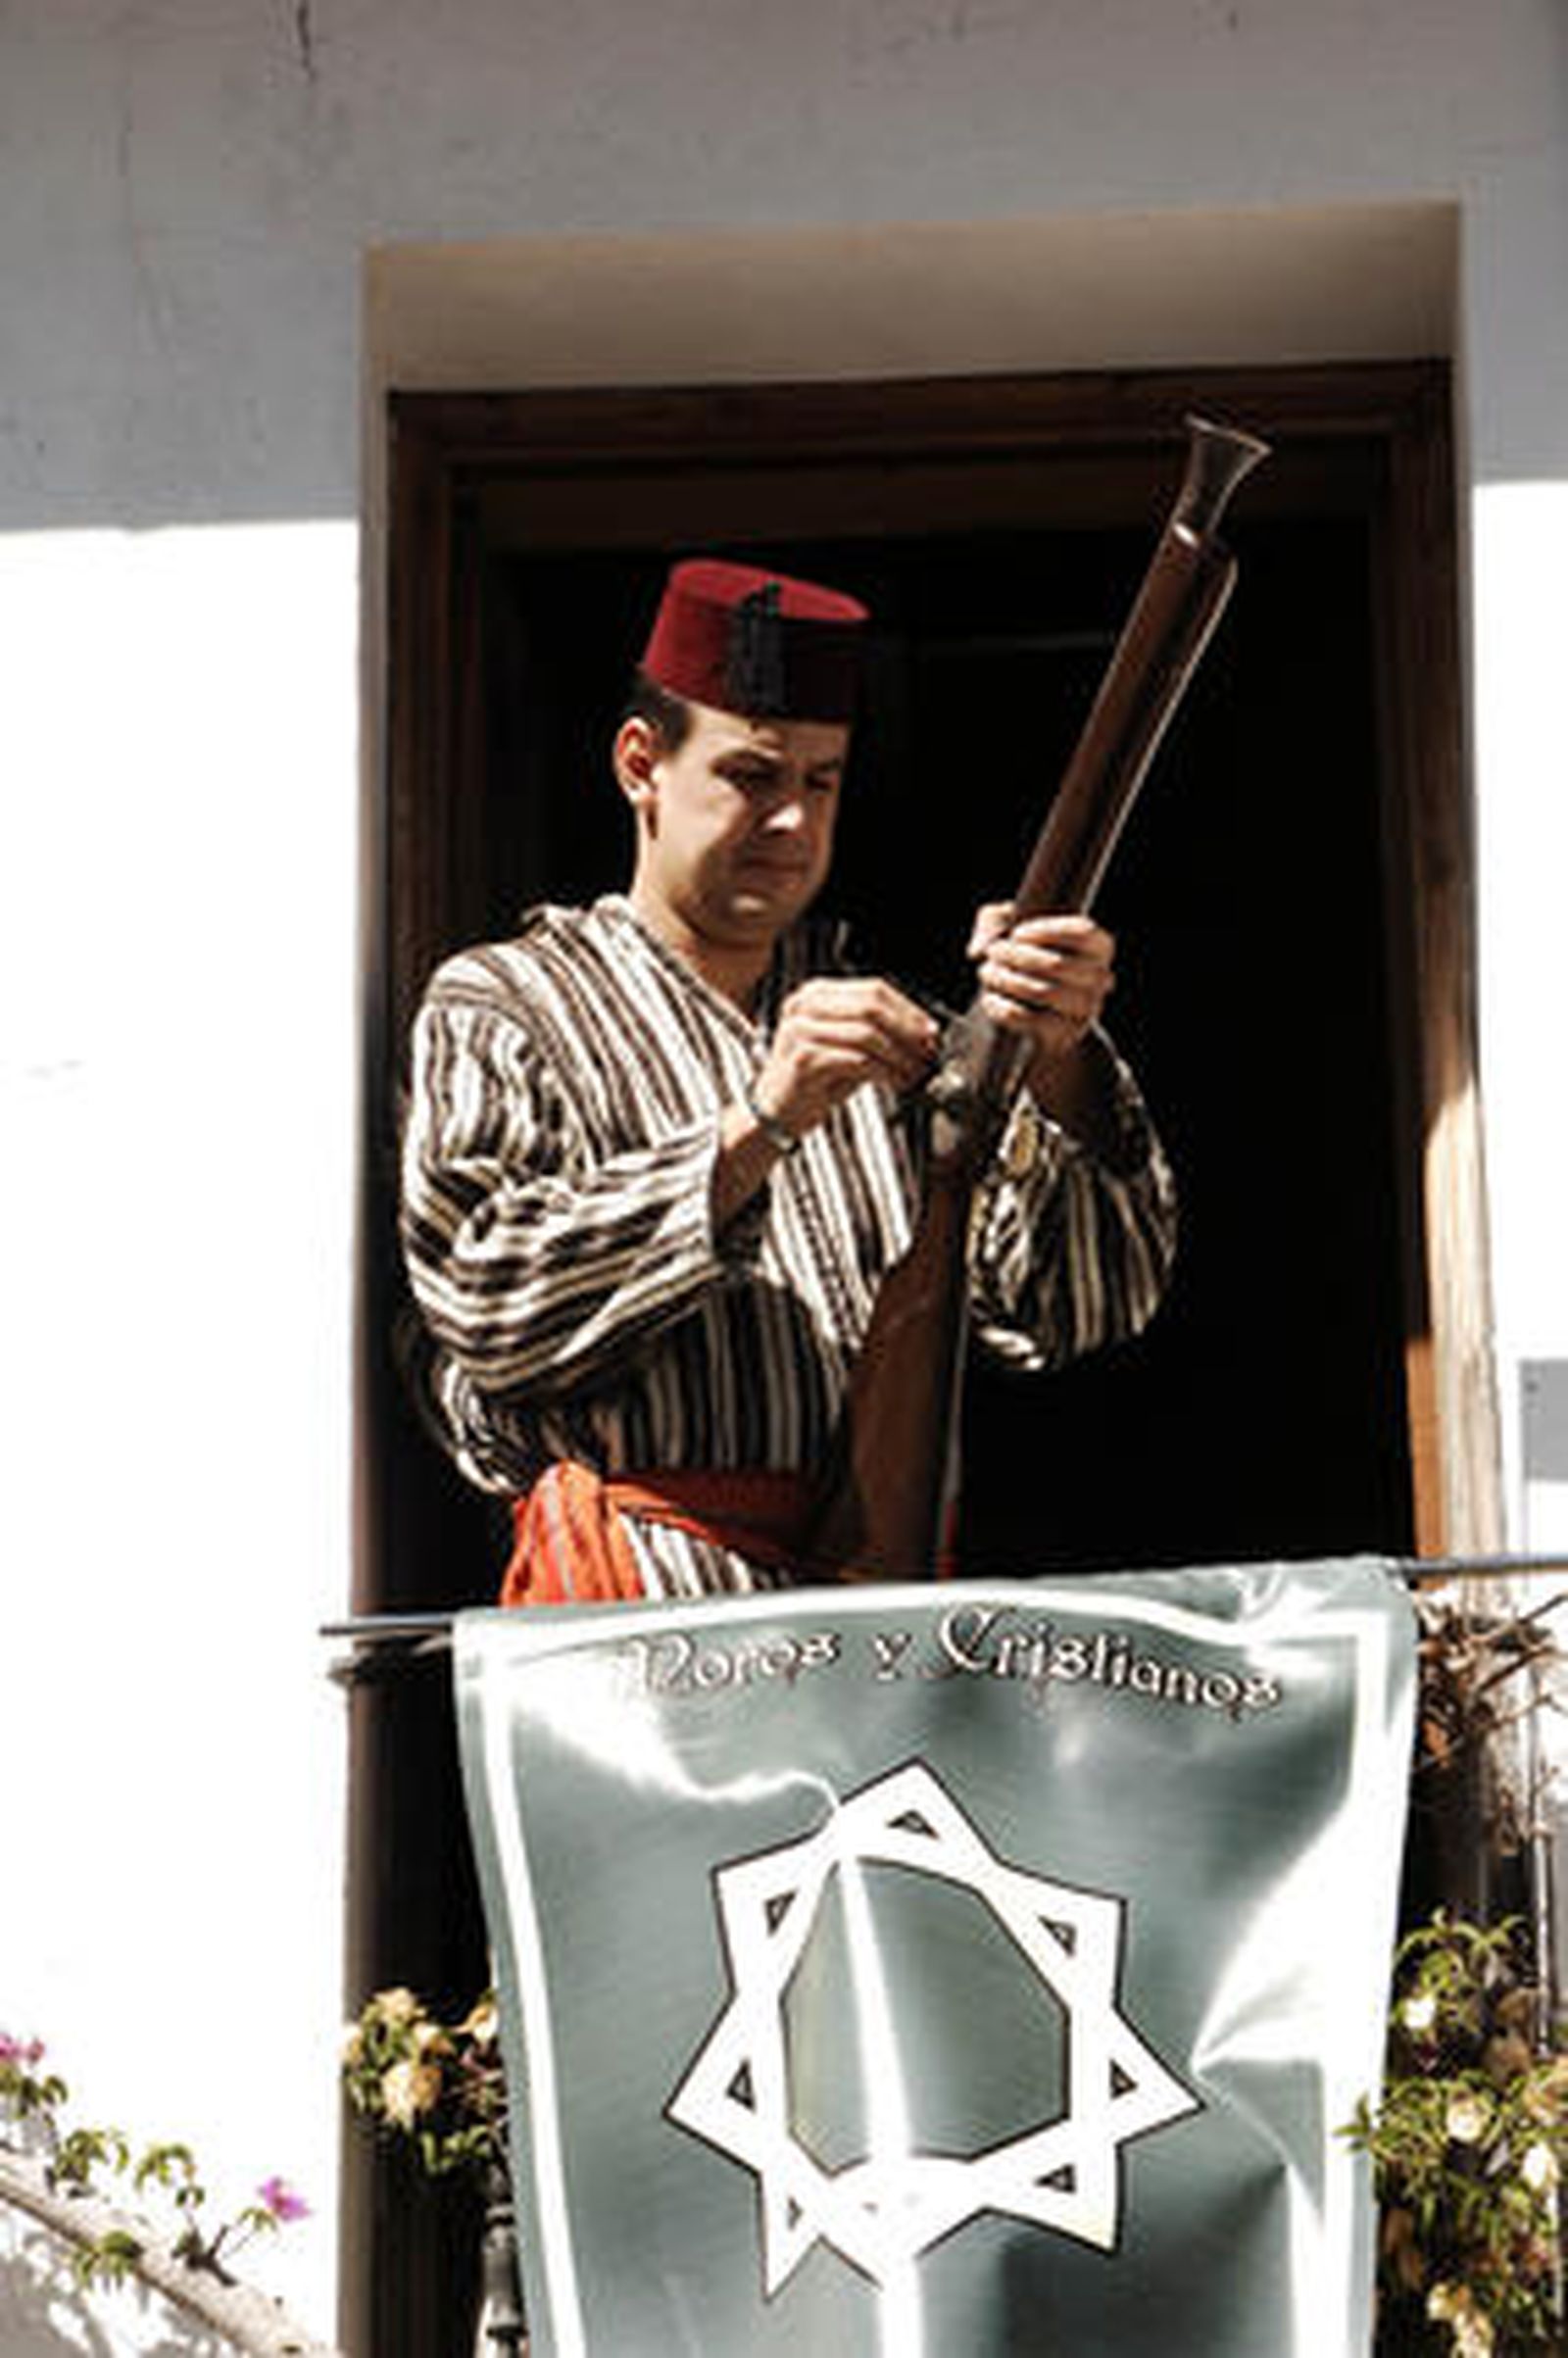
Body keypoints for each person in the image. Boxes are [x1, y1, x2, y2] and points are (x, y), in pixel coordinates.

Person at [399, 558, 1177, 1604]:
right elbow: (486, 1306)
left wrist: (1053, 1052)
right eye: (752, 776)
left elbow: (1083, 1306)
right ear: (641, 764)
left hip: (872, 1618)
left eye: (821, 782)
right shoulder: (505, 1002)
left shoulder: (884, 1019)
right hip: (636, 1621)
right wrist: (760, 1124)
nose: (794, 826)